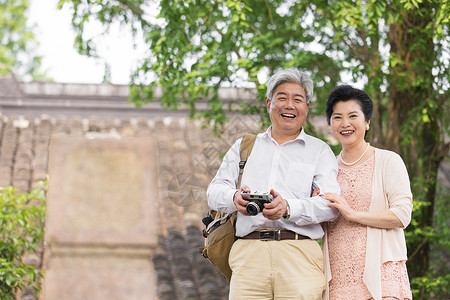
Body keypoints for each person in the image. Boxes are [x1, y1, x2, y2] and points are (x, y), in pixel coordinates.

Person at [207, 68, 341, 300]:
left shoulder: (319, 151)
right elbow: (214, 192)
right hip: (248, 254)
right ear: (269, 103)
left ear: (306, 108)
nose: (289, 105)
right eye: (282, 98)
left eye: (297, 99)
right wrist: (234, 198)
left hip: (298, 254)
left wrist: (289, 208)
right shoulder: (244, 146)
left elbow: (331, 205)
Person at [321, 85, 413, 300]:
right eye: (337, 117)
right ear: (330, 124)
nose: (345, 124)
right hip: (338, 281)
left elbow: (402, 215)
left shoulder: (388, 161)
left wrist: (353, 214)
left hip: (382, 276)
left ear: (367, 121)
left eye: (353, 115)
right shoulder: (327, 170)